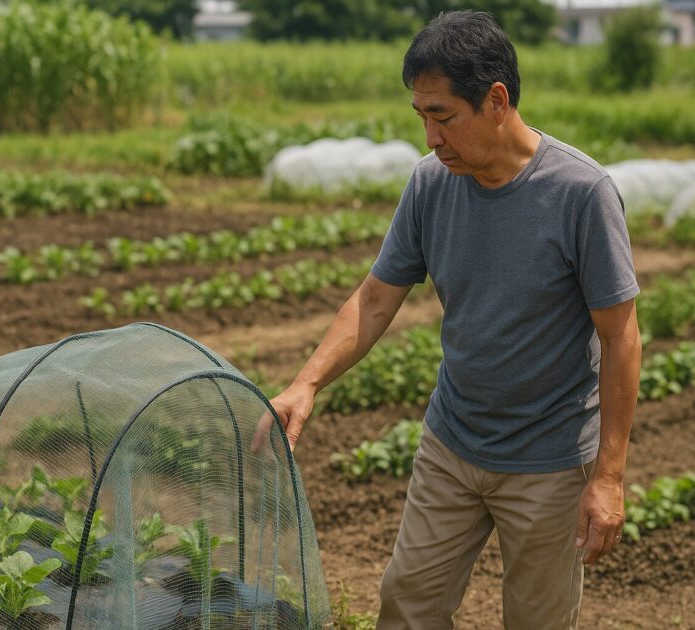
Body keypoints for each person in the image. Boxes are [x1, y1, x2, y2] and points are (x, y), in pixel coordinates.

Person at [252, 10, 642, 630]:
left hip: (549, 458)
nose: (431, 138)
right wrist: (308, 382)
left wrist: (610, 477)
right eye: (422, 117)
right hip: (452, 442)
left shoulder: (580, 193)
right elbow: (377, 296)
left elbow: (619, 335)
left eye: (443, 116)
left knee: (538, 621)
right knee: (407, 604)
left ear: (495, 100)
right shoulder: (431, 184)